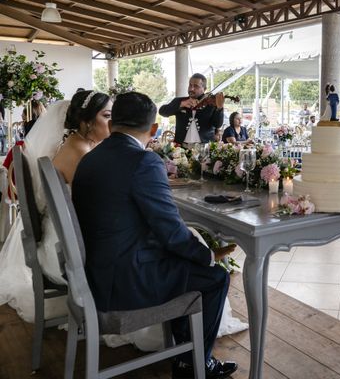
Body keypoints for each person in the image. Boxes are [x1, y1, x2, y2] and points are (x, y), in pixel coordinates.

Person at [72, 92, 238, 378]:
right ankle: (195, 364)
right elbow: (171, 234)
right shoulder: (144, 162)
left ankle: (186, 357)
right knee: (216, 277)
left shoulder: (89, 158)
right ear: (153, 129)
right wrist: (207, 255)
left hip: (96, 273)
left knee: (183, 265)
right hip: (125, 282)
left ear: (112, 125)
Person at [0, 90, 112, 323]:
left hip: (60, 240)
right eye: (107, 115)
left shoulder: (75, 143)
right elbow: (99, 206)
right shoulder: (80, 152)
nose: (112, 122)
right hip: (67, 252)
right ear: (87, 122)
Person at [159, 73, 225, 145]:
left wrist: (220, 108)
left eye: (196, 86)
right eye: (190, 85)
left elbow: (217, 124)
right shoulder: (180, 101)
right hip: (181, 148)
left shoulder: (211, 103)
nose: (191, 88)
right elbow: (162, 111)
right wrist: (181, 104)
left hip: (204, 147)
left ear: (204, 89)